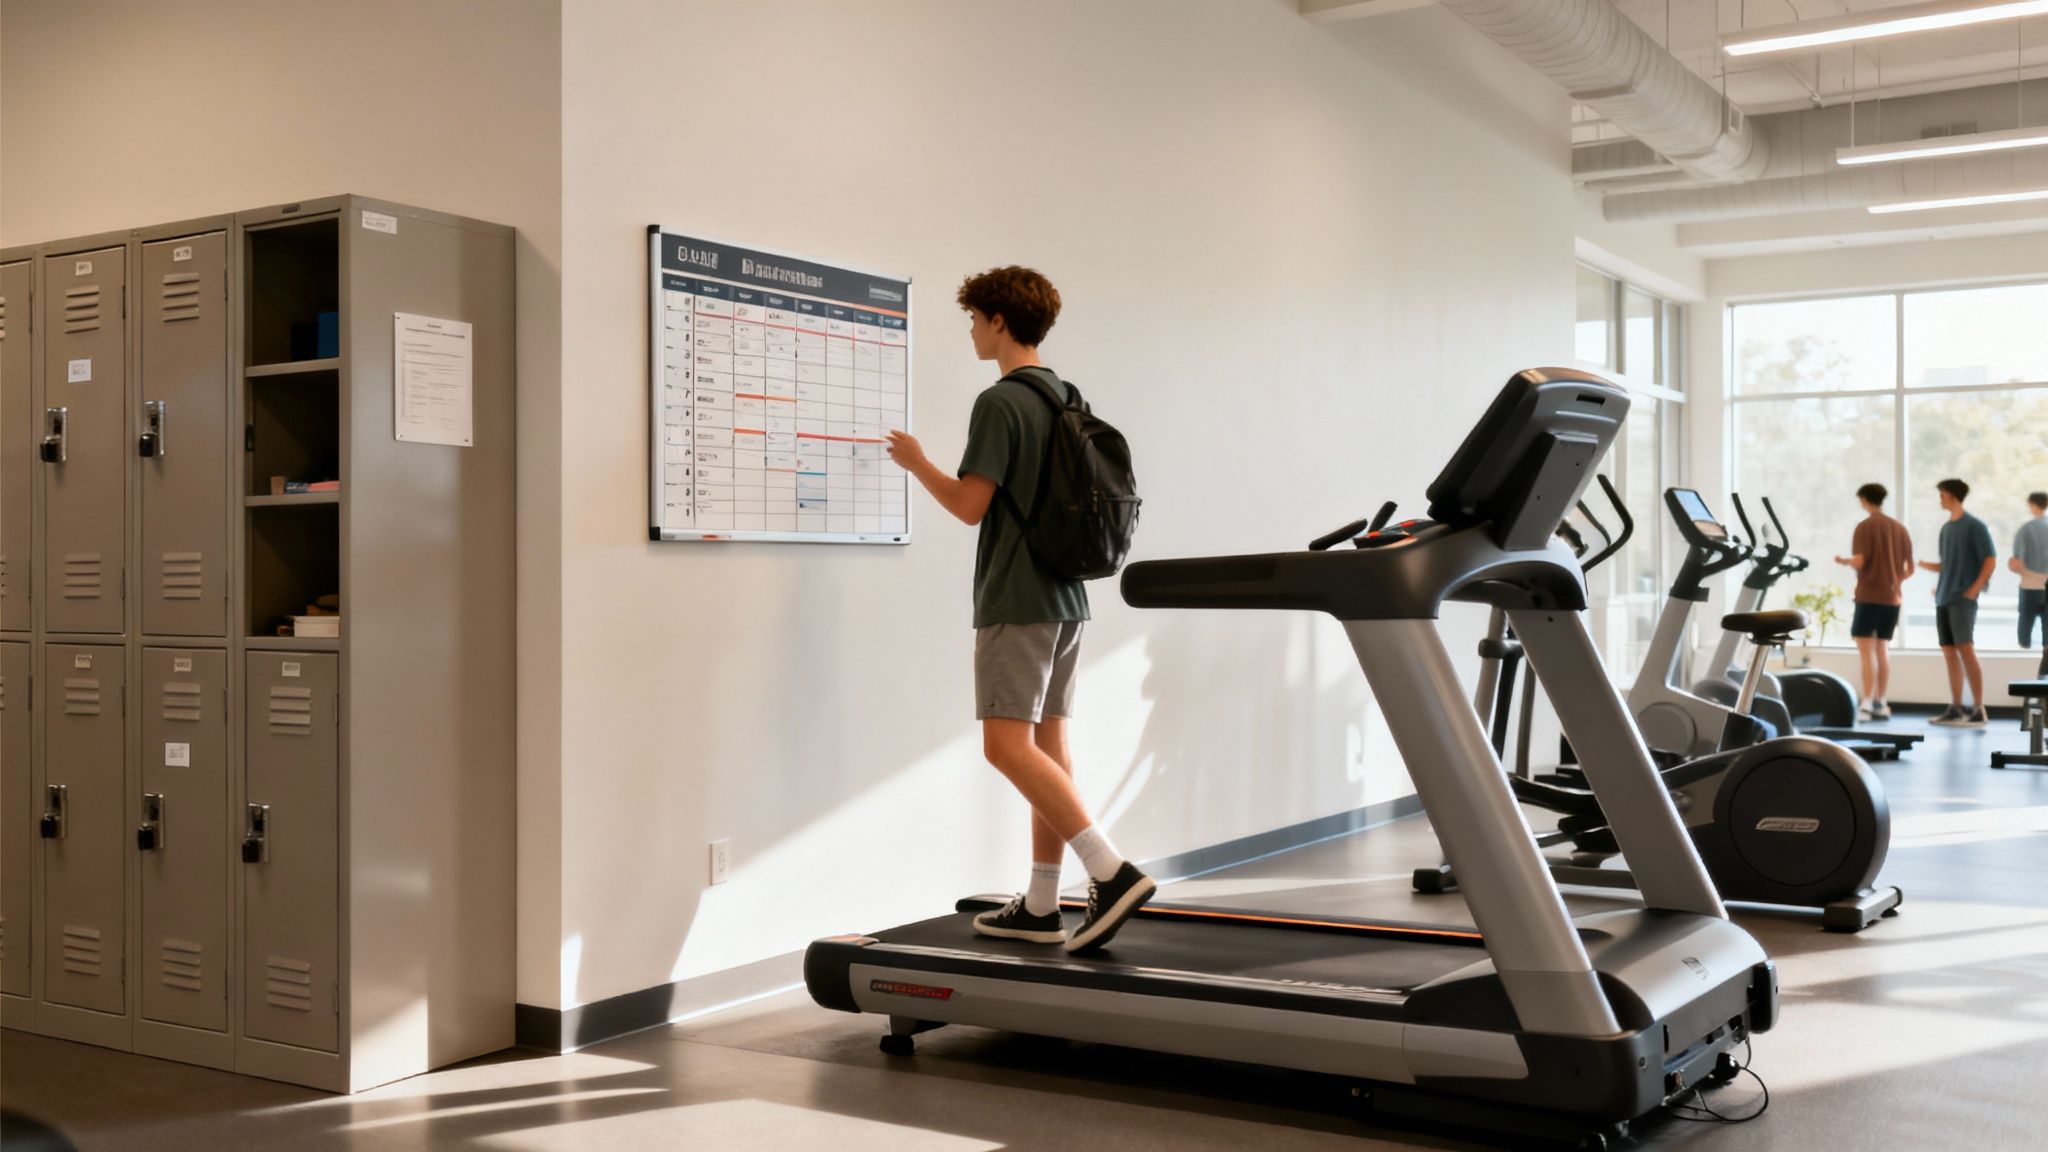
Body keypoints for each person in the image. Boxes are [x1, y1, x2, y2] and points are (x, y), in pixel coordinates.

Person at [883, 266, 1154, 953]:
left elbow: (972, 506)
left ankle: (1109, 870)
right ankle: (1039, 903)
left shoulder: (1001, 402)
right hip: (1068, 597)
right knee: (1049, 747)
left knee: (1005, 746)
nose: (972, 331)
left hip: (1017, 596)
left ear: (999, 321)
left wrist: (917, 464)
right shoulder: (1066, 393)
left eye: (974, 319)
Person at [1918, 478, 1997, 726]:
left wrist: (1972, 590)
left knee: (1966, 649)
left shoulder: (1975, 526)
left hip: (1962, 599)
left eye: (1942, 494)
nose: (1940, 499)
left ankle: (1978, 708)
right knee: (1949, 652)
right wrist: (1922, 566)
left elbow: (1990, 560)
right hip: (1944, 597)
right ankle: (1956, 707)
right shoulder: (1946, 529)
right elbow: (1946, 565)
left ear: (1951, 495)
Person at [1833, 483, 1914, 720]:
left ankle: (1867, 702)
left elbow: (1859, 561)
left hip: (1869, 596)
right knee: (1882, 648)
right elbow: (1911, 568)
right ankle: (1881, 701)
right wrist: (1897, 581)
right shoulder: (1899, 528)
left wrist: (1843, 561)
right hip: (1892, 598)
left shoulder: (1865, 527)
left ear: (1865, 500)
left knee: (1866, 651)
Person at [2012, 491, 2048, 676]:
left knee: (2024, 632)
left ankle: (2028, 677)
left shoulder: (2026, 529)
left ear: (2033, 505)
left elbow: (2016, 563)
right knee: (2047, 641)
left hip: (2029, 587)